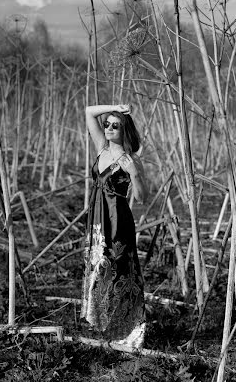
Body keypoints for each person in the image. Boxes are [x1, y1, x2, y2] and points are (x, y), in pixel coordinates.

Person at [81, 103, 148, 348]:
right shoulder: (101, 147)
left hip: (118, 220)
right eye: (107, 124)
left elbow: (142, 198)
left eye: (115, 125)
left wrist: (134, 174)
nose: (108, 128)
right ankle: (104, 326)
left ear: (124, 130)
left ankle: (130, 328)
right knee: (98, 269)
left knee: (120, 270)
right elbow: (89, 112)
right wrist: (115, 107)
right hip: (96, 219)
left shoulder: (131, 159)